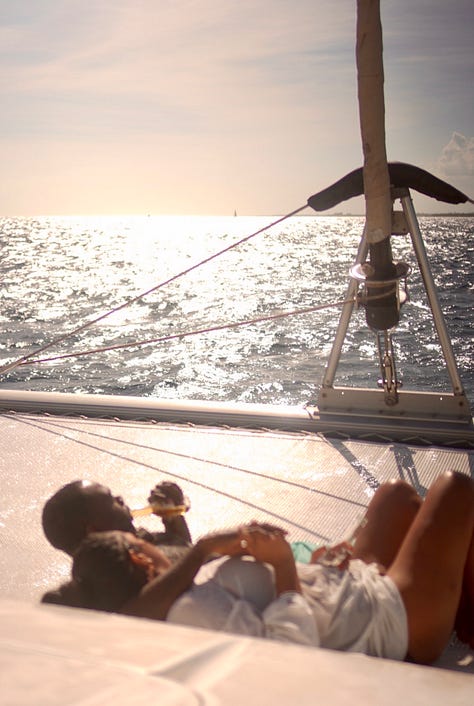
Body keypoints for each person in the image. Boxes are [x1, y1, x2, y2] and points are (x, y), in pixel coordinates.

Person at [57, 470, 474, 664]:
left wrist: (318, 568)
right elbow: (290, 656)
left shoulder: (177, 591)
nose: (148, 539)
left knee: (396, 494)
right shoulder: (191, 612)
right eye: (141, 544)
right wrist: (283, 565)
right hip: (390, 619)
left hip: (349, 591)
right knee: (455, 487)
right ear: (139, 559)